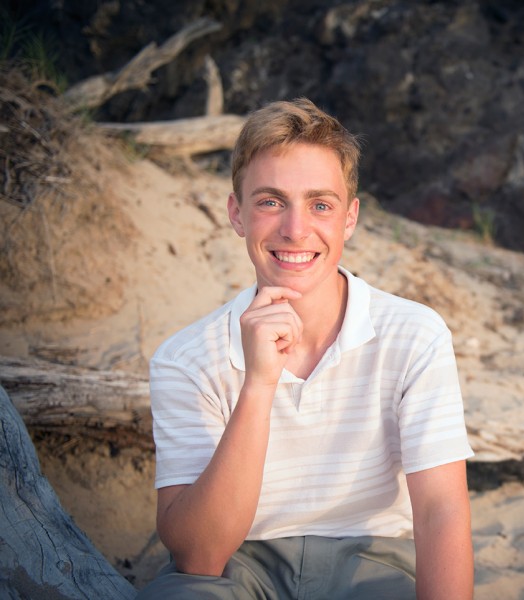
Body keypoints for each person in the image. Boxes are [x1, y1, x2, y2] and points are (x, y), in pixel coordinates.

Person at [137, 98, 474, 599]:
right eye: (271, 201)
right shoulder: (184, 359)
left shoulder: (414, 334)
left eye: (320, 204)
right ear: (237, 213)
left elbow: (440, 511)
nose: (296, 229)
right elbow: (198, 555)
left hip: (375, 566)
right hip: (239, 569)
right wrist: (258, 384)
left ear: (350, 219)